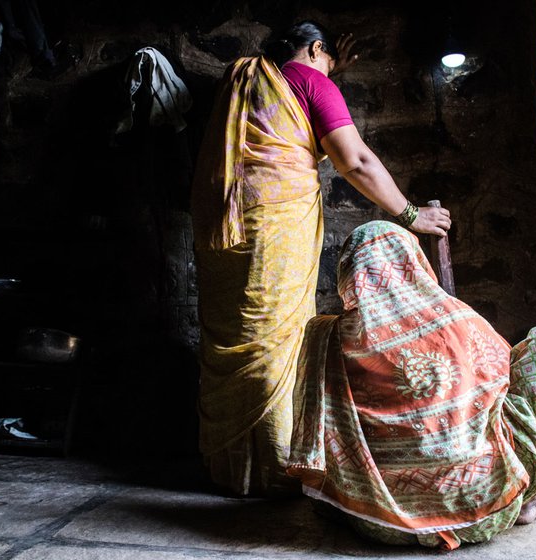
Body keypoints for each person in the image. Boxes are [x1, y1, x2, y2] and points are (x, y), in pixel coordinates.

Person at [190, 20, 451, 497]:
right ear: (315, 49)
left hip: (224, 231)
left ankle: (230, 469)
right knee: (275, 337)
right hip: (274, 230)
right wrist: (412, 215)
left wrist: (330, 72)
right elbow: (355, 161)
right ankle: (272, 472)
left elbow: (289, 121)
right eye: (329, 61)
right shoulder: (313, 82)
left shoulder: (243, 80)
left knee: (235, 333)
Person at [287, 220, 536, 550]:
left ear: (350, 275)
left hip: (376, 519)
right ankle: (531, 490)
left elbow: (315, 428)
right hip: (483, 507)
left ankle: (348, 500)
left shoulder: (324, 335)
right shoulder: (456, 318)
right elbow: (500, 383)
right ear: (414, 263)